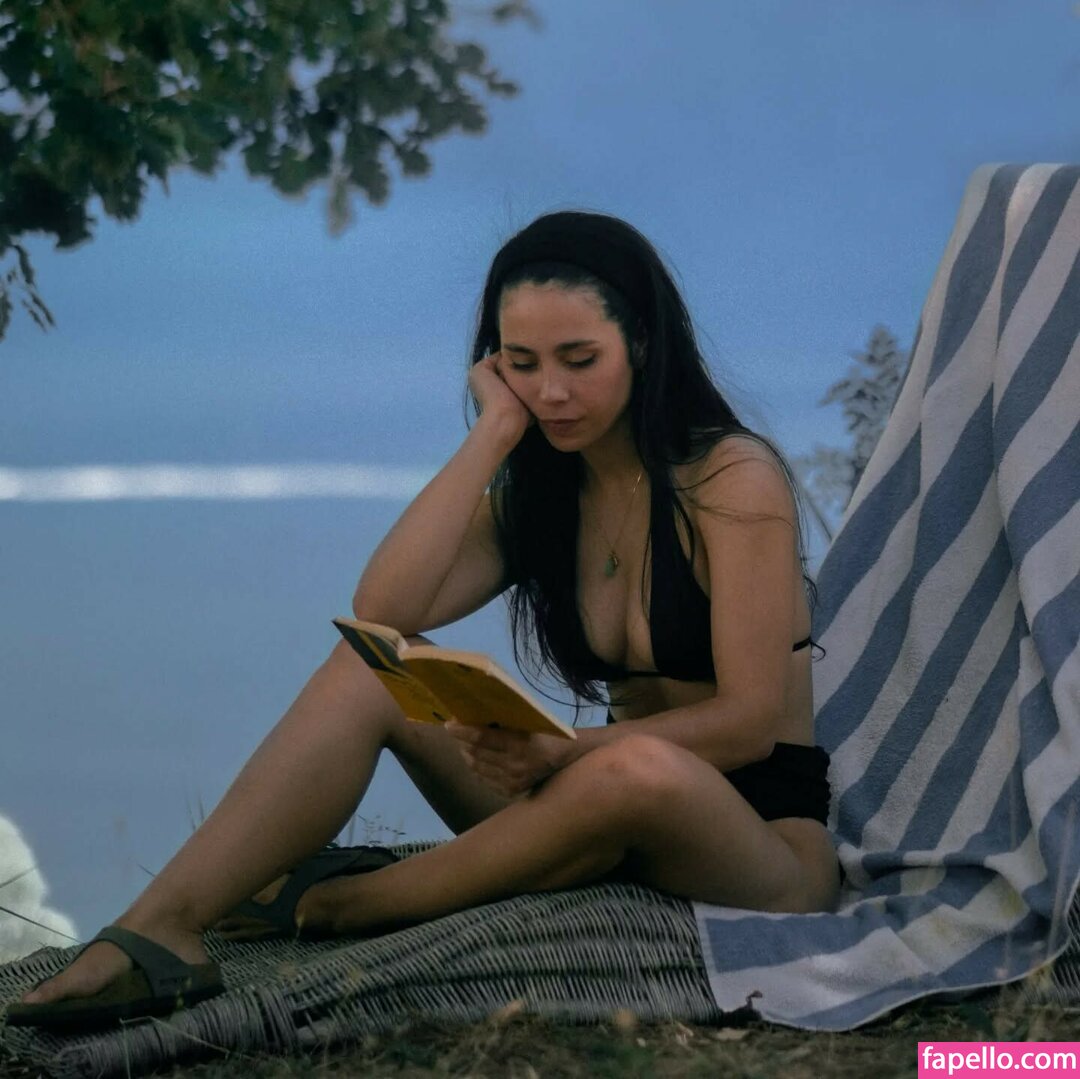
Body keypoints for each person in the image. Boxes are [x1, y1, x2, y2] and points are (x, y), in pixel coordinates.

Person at [11, 211, 841, 1029]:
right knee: (368, 668)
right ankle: (159, 926)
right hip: (588, 810)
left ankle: (342, 904)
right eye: (523, 364)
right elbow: (385, 610)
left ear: (643, 344)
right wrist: (496, 432)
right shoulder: (551, 492)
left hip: (754, 844)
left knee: (637, 771)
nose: (552, 391)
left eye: (580, 359)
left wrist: (564, 751)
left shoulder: (729, 478)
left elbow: (749, 722)